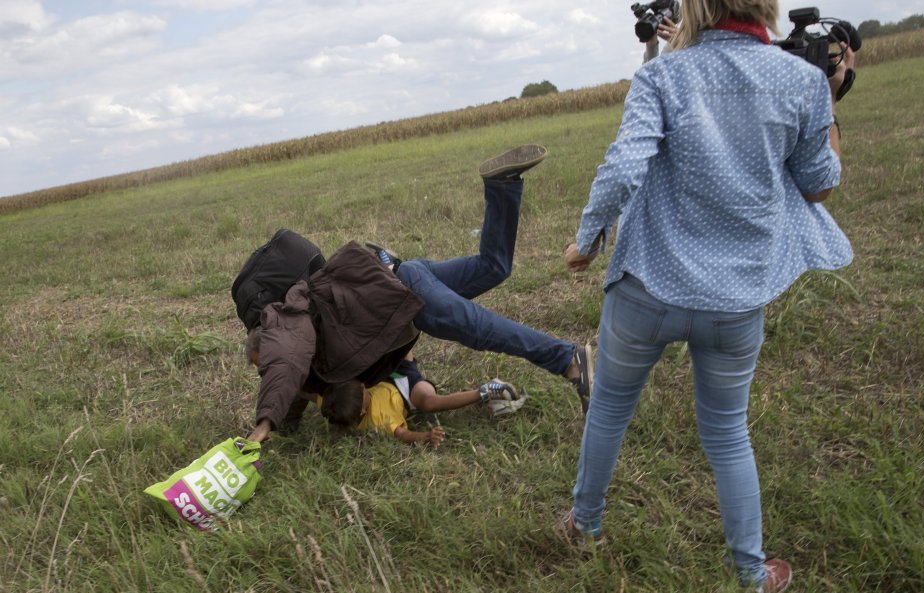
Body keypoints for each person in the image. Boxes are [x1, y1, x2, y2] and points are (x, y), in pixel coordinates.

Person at [561, 0, 855, 591]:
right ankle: (751, 571)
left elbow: (622, 169)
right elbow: (820, 186)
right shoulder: (802, 79)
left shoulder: (663, 74)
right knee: (727, 431)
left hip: (647, 286)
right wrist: (828, 100)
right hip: (736, 300)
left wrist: (586, 241)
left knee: (611, 411)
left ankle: (584, 524)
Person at [245, 145, 592, 443]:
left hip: (408, 296)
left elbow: (284, 362)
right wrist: (283, 424)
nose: (266, 371)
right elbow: (292, 383)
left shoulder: (287, 325)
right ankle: (502, 185)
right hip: (405, 275)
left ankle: (566, 359)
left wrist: (263, 423)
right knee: (493, 267)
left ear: (267, 339)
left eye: (264, 363)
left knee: (475, 327)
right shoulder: (309, 342)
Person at [321, 353, 525, 449]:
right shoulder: (378, 420)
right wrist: (426, 436)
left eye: (360, 385)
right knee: (429, 402)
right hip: (409, 391)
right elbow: (403, 434)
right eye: (364, 392)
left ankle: (396, 291)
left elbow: (309, 393)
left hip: (386, 372)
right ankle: (487, 391)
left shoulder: (333, 401)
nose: (365, 388)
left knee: (390, 339)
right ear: (363, 411)